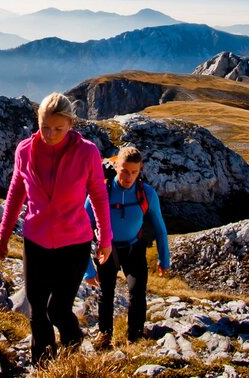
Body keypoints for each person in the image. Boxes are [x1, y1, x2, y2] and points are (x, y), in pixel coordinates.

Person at [0, 92, 113, 365]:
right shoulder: (24, 150)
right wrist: (4, 234)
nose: (50, 134)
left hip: (74, 244)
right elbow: (16, 193)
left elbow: (98, 195)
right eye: (45, 127)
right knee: (37, 311)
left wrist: (105, 238)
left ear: (71, 124)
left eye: (58, 128)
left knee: (58, 310)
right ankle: (44, 366)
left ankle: (73, 346)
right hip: (35, 242)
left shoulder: (87, 152)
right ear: (37, 122)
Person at [84, 145, 170, 348]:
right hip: (107, 249)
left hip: (134, 248)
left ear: (140, 169)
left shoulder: (146, 194)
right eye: (124, 170)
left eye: (134, 172)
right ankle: (104, 337)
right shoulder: (99, 191)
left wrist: (164, 258)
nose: (128, 176)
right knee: (107, 294)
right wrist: (87, 270)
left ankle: (135, 337)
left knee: (138, 292)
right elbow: (81, 231)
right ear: (115, 166)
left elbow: (160, 228)